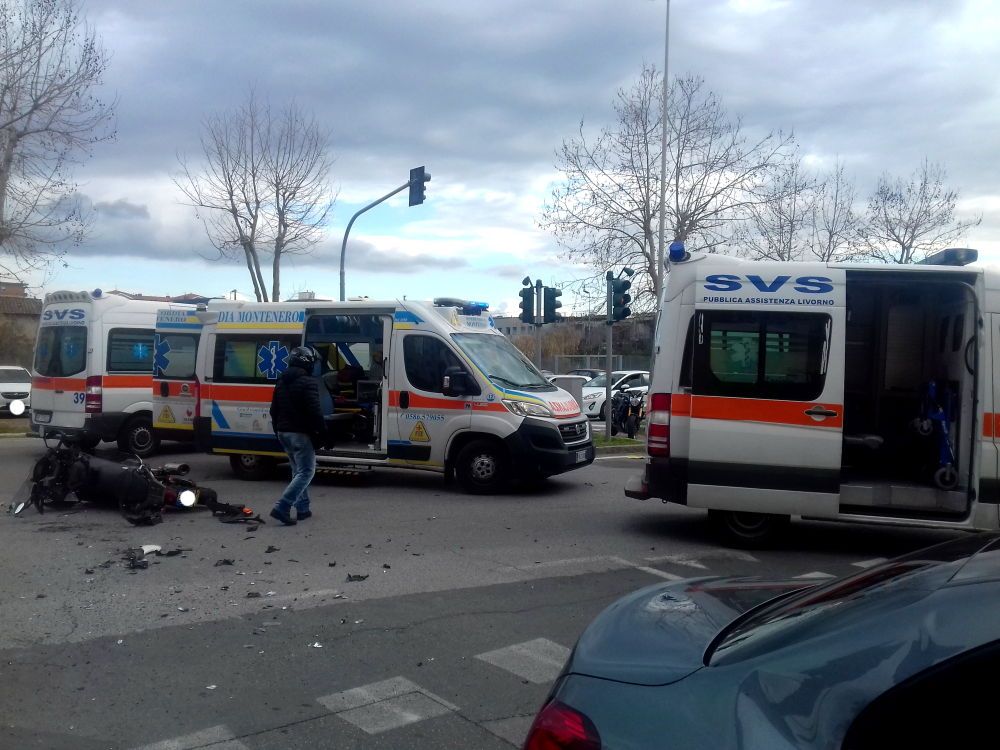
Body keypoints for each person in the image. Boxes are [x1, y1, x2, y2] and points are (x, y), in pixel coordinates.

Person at [268, 346, 326, 525]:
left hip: (283, 432)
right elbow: (314, 412)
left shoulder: (281, 381)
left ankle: (302, 508)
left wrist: (278, 430)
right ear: (307, 363)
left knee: (297, 470)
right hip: (300, 434)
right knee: (307, 471)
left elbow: (273, 410)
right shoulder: (308, 382)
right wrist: (323, 433)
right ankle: (283, 506)